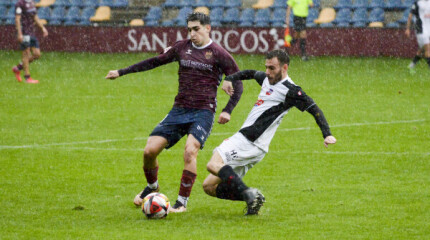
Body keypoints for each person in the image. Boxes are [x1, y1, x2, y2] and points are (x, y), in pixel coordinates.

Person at [105, 12, 243, 213]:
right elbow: (154, 61)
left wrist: (228, 110)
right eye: (189, 29)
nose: (192, 33)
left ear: (208, 28)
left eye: (196, 29)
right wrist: (121, 72)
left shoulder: (219, 53)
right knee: (149, 151)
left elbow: (238, 84)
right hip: (179, 110)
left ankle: (181, 204)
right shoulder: (181, 47)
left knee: (190, 151)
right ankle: (152, 187)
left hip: (203, 111)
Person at [202, 50, 336, 215]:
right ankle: (254, 198)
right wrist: (230, 78)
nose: (267, 72)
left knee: (213, 164)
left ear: (284, 67)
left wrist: (327, 134)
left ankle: (247, 192)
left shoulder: (291, 90)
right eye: (266, 67)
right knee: (209, 186)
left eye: (272, 68)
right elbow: (251, 73)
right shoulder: (267, 79)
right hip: (256, 146)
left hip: (249, 139)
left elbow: (314, 108)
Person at [12, 0, 48, 84]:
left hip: (31, 33)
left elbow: (35, 17)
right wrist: (20, 33)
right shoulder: (20, 4)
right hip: (24, 33)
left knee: (37, 54)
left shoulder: (31, 3)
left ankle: (18, 68)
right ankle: (27, 78)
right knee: (26, 54)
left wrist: (42, 28)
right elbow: (17, 19)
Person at [405, 0, 430, 73]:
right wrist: (408, 29)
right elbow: (410, 16)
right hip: (420, 29)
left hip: (428, 29)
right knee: (428, 50)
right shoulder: (417, 3)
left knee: (422, 50)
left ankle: (411, 65)